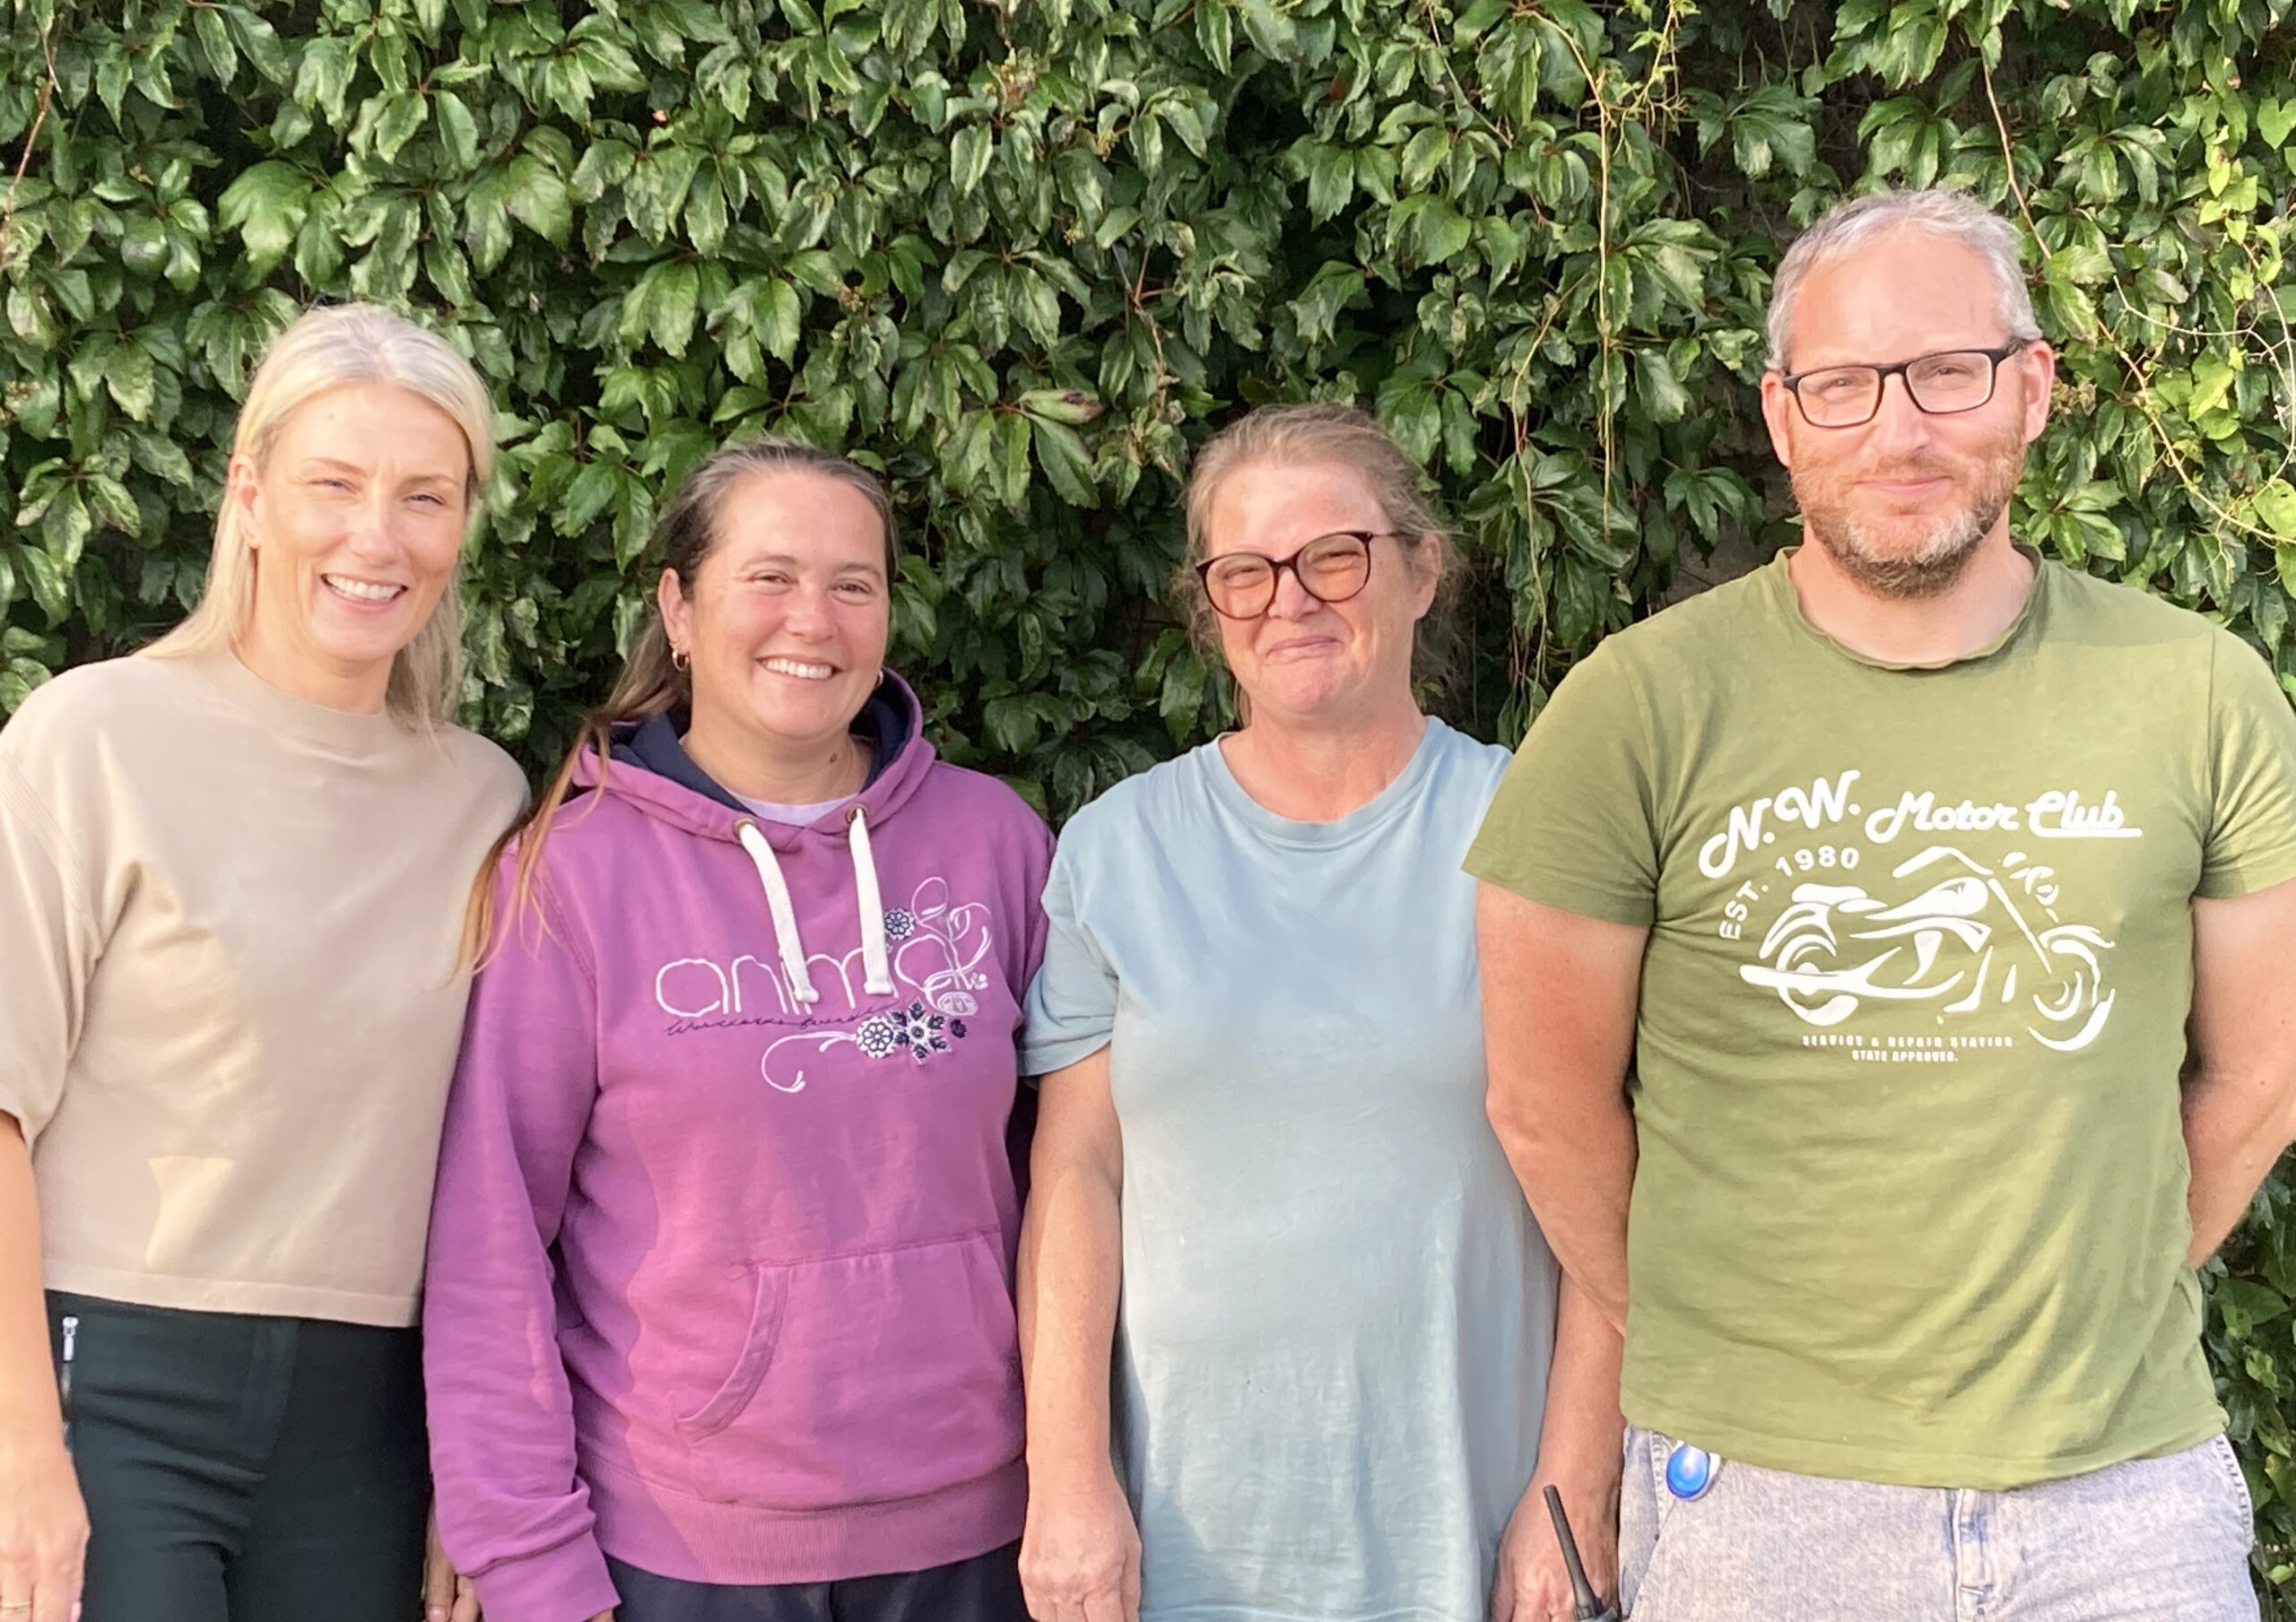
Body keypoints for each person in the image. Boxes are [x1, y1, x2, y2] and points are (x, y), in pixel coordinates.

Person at [1468, 187, 2296, 1620]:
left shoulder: (2201, 690)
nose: (1898, 431)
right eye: (1845, 385)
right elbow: (1543, 1106)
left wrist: (2103, 1290)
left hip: (2121, 1502)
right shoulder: (1636, 708)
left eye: (1948, 372)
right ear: (1783, 417)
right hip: (1756, 1503)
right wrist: (1712, 1341)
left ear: (2032, 387)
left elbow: (2263, 1071)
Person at [423, 437, 1055, 1622]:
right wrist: (523, 1555)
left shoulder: (995, 844)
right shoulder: (573, 874)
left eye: (853, 584)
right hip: (683, 1547)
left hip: (983, 1530)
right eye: (769, 577)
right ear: (679, 607)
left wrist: (1079, 1478)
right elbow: (491, 1232)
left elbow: (1078, 1179)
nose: (812, 619)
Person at [1019, 403, 1622, 1622]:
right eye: (1243, 572)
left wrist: (1574, 1486)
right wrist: (1066, 1479)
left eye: (1333, 557)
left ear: (1421, 571)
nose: (1288, 600)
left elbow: (1612, 1188)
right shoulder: (1116, 850)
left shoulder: (1531, 835)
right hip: (1182, 1550)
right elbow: (1076, 1174)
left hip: (1470, 1537)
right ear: (1209, 608)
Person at [0, 303, 526, 1622]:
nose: (377, 538)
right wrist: (19, 1449)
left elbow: (505, 1160)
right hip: (110, 1389)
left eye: (424, 497)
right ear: (247, 494)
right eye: (331, 485)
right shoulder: (90, 738)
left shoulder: (486, 801)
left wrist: (482, 1462)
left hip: (368, 1429)